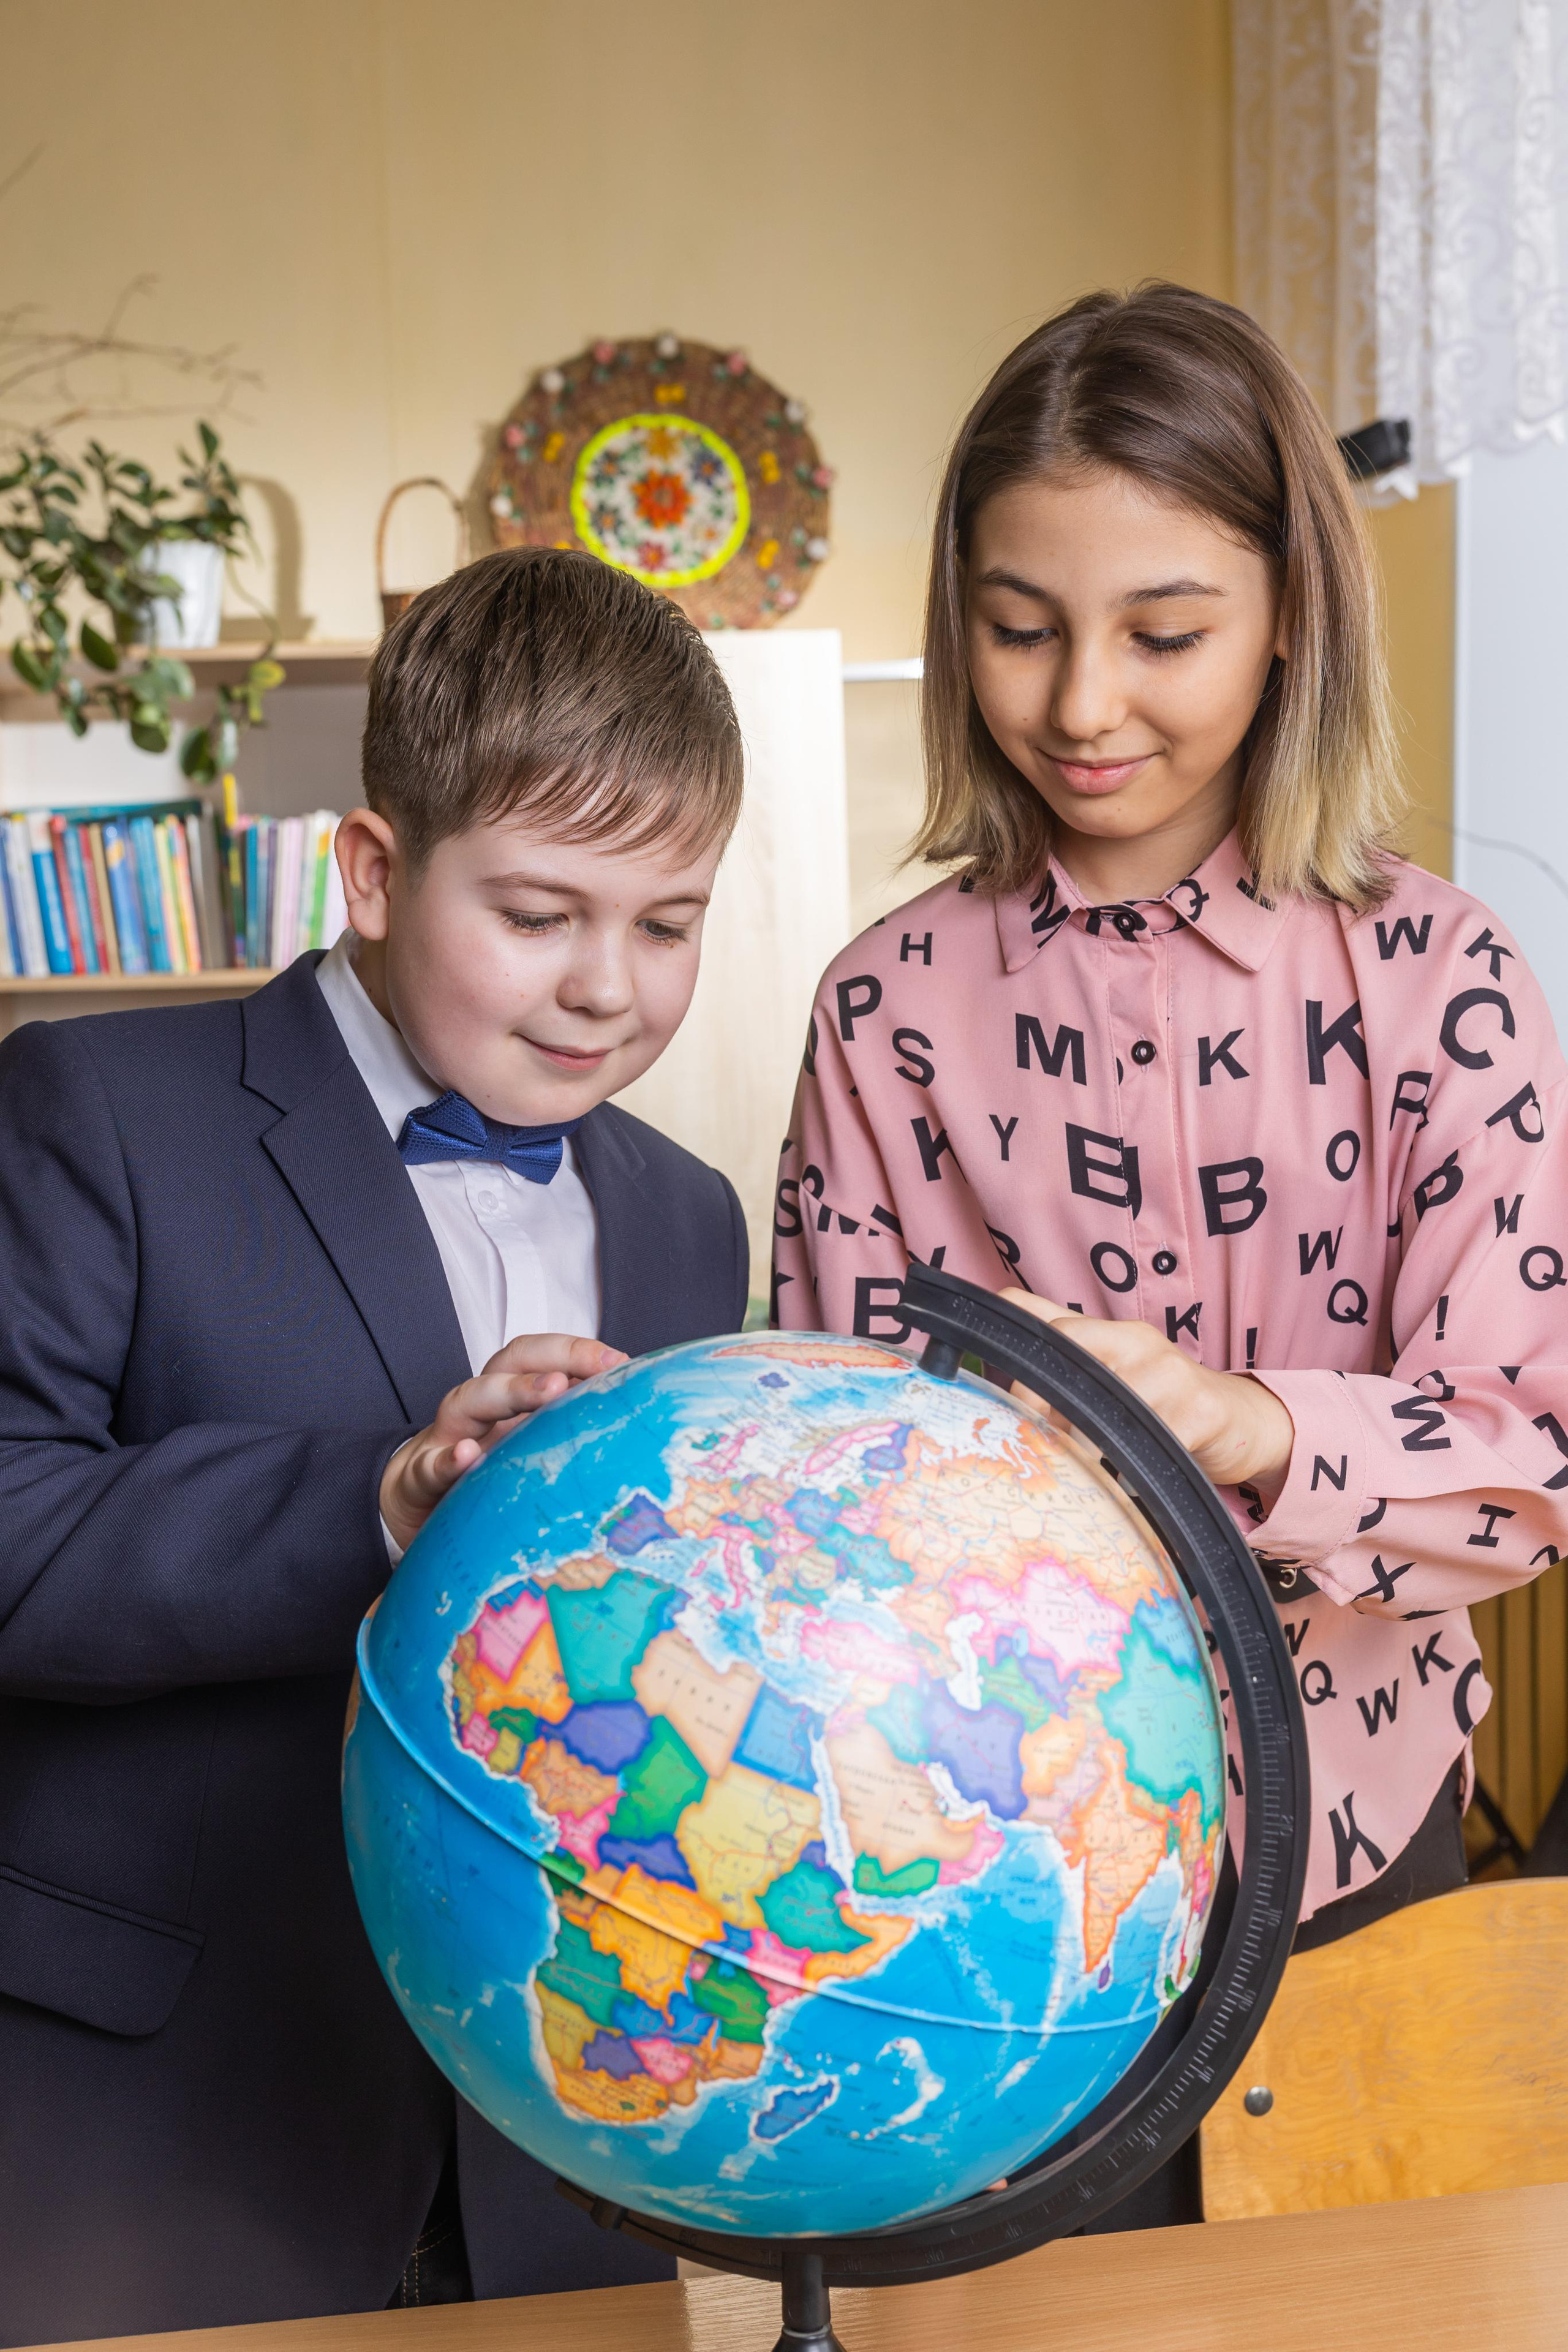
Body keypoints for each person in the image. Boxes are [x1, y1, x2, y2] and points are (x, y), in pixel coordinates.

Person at [773, 282, 1568, 2222]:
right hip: (994, 1922)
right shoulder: (887, 1011)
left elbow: (1533, 1460)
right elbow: (818, 1491)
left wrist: (1247, 1427)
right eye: (1018, 627)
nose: (1079, 705)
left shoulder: (1443, 977)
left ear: (1291, 609)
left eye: (1165, 633)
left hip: (1363, 1884)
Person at [0, 546, 750, 2344]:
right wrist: (384, 1494)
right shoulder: (96, 1108)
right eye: (539, 911)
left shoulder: (694, 1217)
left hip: (558, 2143)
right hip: (169, 2122)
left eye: (668, 923)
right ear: (372, 868)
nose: (606, 988)